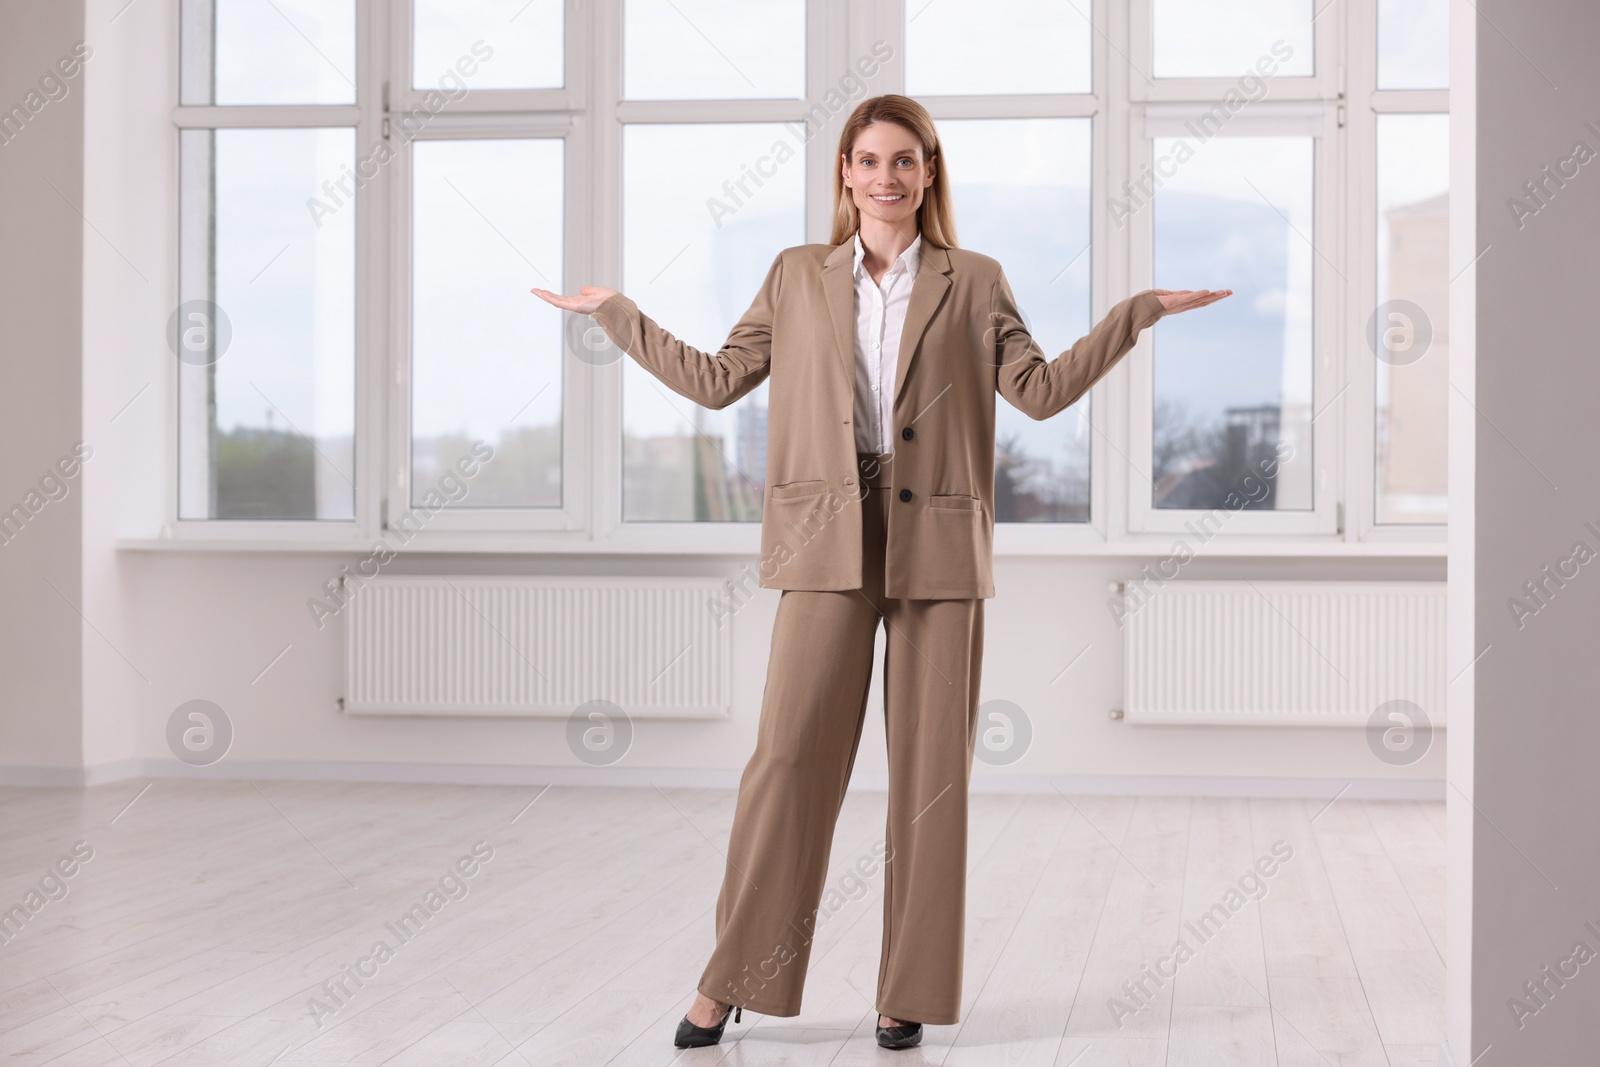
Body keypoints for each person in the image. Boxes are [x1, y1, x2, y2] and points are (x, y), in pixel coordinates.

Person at [531, 93, 1229, 1052]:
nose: (886, 176)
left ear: (929, 173)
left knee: (930, 777)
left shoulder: (975, 279)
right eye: (868, 160)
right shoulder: (795, 276)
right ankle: (729, 976)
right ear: (846, 174)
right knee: (786, 761)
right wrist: (617, 314)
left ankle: (907, 990)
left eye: (905, 160)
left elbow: (1037, 392)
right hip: (826, 535)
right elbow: (716, 378)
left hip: (937, 543)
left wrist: (1135, 314)